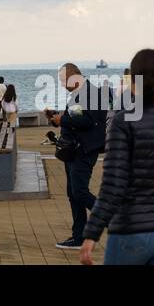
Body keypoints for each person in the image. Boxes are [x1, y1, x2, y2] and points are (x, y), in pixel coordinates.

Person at [79, 49, 154, 265]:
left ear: (133, 83)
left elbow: (113, 185)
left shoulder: (123, 123)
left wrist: (92, 232)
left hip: (132, 228)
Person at [47, 63, 110, 250]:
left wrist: (63, 119)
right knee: (73, 194)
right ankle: (78, 236)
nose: (62, 84)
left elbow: (88, 120)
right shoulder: (81, 93)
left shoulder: (92, 93)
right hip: (74, 150)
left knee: (80, 192)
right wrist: (57, 119)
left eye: (63, 80)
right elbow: (77, 118)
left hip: (83, 151)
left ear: (74, 76)